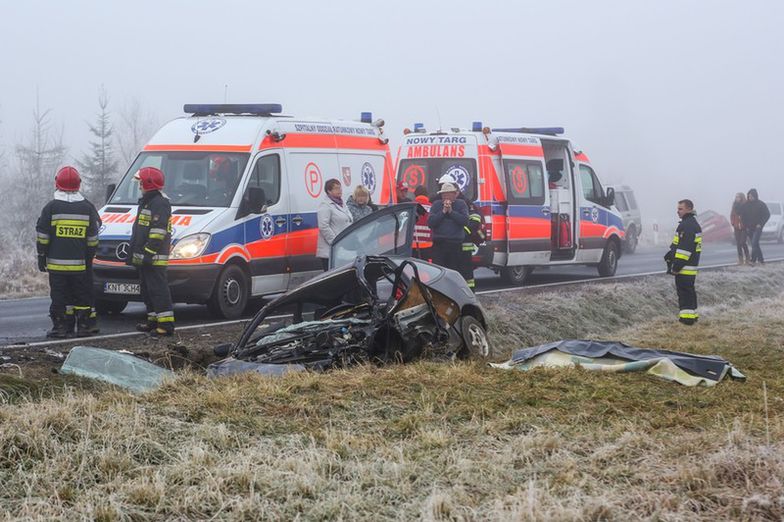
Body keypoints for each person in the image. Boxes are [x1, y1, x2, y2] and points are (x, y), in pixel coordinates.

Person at [36, 166, 101, 338]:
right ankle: (84, 327)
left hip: (57, 266)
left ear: (57, 183)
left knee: (60, 297)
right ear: (79, 184)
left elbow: (43, 235)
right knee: (81, 296)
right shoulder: (87, 208)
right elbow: (93, 238)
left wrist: (41, 256)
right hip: (80, 265)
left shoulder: (51, 208)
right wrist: (88, 256)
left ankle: (61, 328)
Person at [128, 167, 175, 336]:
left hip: (154, 257)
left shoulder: (159, 203)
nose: (139, 185)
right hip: (146, 257)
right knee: (147, 290)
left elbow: (158, 232)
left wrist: (148, 253)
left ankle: (166, 325)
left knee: (158, 290)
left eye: (141, 182)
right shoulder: (148, 202)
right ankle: (153, 321)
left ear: (148, 183)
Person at [664, 199, 702, 325]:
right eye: (678, 208)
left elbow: (684, 250)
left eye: (681, 209)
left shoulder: (687, 226)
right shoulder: (691, 224)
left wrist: (676, 267)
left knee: (684, 293)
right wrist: (670, 254)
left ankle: (686, 320)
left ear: (689, 209)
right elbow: (678, 244)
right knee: (689, 291)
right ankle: (692, 316)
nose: (677, 211)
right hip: (690, 266)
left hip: (684, 267)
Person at [428, 183, 468, 273]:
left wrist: (451, 212)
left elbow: (465, 221)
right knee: (438, 271)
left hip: (455, 245)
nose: (446, 196)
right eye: (444, 194)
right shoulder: (436, 205)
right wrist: (443, 212)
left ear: (455, 194)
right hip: (439, 245)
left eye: (449, 193)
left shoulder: (461, 204)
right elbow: (431, 223)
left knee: (453, 271)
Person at [317, 178, 353, 270]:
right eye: (336, 188)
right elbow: (323, 226)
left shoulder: (342, 203)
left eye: (340, 188)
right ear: (329, 191)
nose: (339, 190)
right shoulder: (325, 205)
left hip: (343, 248)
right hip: (331, 249)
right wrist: (335, 241)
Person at [460, 200, 484, 290]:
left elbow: (475, 221)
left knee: (467, 272)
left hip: (465, 245)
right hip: (454, 245)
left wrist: (460, 232)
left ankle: (470, 292)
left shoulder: (467, 204)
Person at [742, 188, 770, 266]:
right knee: (755, 244)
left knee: (754, 243)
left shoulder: (761, 204)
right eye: (749, 196)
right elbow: (742, 216)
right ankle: (761, 260)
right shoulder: (746, 205)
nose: (750, 198)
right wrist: (745, 225)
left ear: (755, 196)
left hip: (758, 228)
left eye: (751, 196)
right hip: (749, 228)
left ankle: (753, 260)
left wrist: (760, 224)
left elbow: (767, 215)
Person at [412, 185, 433, 261]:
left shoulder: (410, 207)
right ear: (427, 195)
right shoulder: (433, 208)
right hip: (428, 246)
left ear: (415, 194)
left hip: (412, 245)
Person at [730, 192, 749, 265]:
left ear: (741, 198)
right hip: (736, 227)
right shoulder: (734, 205)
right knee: (738, 243)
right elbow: (732, 215)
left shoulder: (745, 205)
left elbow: (748, 215)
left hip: (744, 226)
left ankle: (747, 257)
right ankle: (740, 259)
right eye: (736, 197)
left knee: (743, 242)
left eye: (738, 197)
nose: (737, 198)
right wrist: (733, 223)